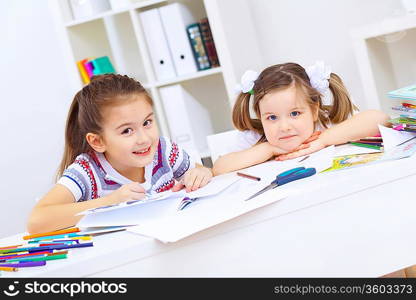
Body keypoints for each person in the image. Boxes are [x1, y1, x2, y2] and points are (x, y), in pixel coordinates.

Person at [27, 74, 212, 234]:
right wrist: (111, 202)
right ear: (97, 141)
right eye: (126, 131)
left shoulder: (163, 150)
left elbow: (199, 172)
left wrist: (202, 174)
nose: (144, 139)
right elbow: (37, 221)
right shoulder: (87, 171)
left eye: (147, 122)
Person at [212, 62, 389, 175]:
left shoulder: (326, 123)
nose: (284, 127)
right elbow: (219, 168)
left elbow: (380, 118)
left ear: (314, 110)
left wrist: (324, 139)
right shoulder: (257, 138)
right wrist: (267, 149)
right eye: (272, 117)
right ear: (260, 116)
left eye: (295, 114)